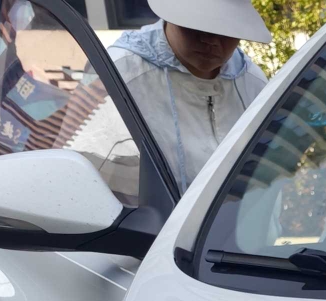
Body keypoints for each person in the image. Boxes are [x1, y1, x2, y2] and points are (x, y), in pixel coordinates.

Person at [107, 0, 272, 186]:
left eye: (225, 30)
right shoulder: (122, 71)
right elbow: (94, 162)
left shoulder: (252, 81)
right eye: (198, 24)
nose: (210, 40)